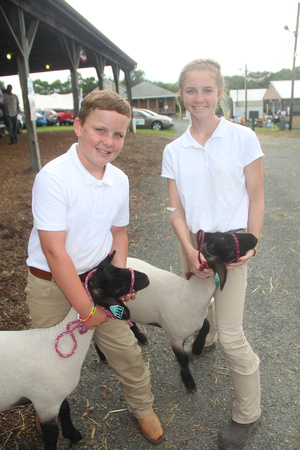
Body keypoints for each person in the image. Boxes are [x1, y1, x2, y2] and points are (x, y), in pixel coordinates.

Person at [25, 90, 164, 444]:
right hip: (50, 285)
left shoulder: (119, 179)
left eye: (118, 134)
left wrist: (117, 279)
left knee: (125, 347)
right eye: (99, 130)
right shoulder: (53, 178)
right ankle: (54, 417)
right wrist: (87, 312)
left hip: (98, 280)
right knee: (51, 359)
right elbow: (55, 254)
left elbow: (118, 232)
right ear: (77, 126)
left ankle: (143, 406)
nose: (108, 141)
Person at [162, 59, 264, 449]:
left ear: (220, 92)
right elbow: (176, 209)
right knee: (195, 304)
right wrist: (188, 251)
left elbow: (256, 196)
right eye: (191, 90)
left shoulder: (243, 138)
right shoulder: (174, 149)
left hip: (231, 246)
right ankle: (208, 331)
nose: (199, 98)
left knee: (233, 335)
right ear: (181, 95)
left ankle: (247, 412)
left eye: (207, 90)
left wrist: (250, 245)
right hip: (194, 243)